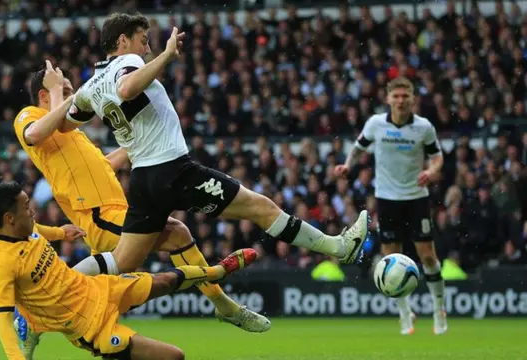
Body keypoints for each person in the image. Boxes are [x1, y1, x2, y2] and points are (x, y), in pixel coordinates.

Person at [65, 13, 370, 282]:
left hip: (143, 179)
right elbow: (127, 88)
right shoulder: (127, 62)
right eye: (143, 41)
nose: (146, 49)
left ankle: (55, 288)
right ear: (122, 40)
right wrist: (167, 55)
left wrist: (57, 94)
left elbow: (67, 121)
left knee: (122, 260)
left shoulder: (89, 86)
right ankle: (339, 248)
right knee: (260, 208)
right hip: (172, 169)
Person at [13, 61, 268, 357]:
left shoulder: (74, 137)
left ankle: (33, 319)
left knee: (90, 291)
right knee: (175, 233)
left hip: (116, 209)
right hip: (96, 213)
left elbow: (103, 166)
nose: (74, 96)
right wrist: (63, 91)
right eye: (64, 89)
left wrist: (139, 145)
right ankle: (224, 305)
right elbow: (34, 134)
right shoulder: (29, 116)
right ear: (44, 95)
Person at [0, 181, 257, 360]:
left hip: (94, 288)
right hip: (88, 326)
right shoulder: (1, 264)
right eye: (27, 209)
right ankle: (31, 324)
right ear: (9, 219)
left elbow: (35, 231)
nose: (33, 212)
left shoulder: (21, 228)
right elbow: (2, 319)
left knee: (164, 281)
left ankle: (219, 271)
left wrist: (59, 233)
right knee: (175, 357)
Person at [334, 76, 447, 335]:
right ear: (388, 99)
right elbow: (358, 147)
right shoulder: (376, 124)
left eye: (405, 96)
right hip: (386, 199)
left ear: (412, 99)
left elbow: (438, 156)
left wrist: (431, 171)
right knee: (390, 258)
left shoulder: (423, 127)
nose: (400, 100)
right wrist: (348, 165)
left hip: (416, 197)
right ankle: (404, 313)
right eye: (396, 96)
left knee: (427, 256)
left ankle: (439, 309)